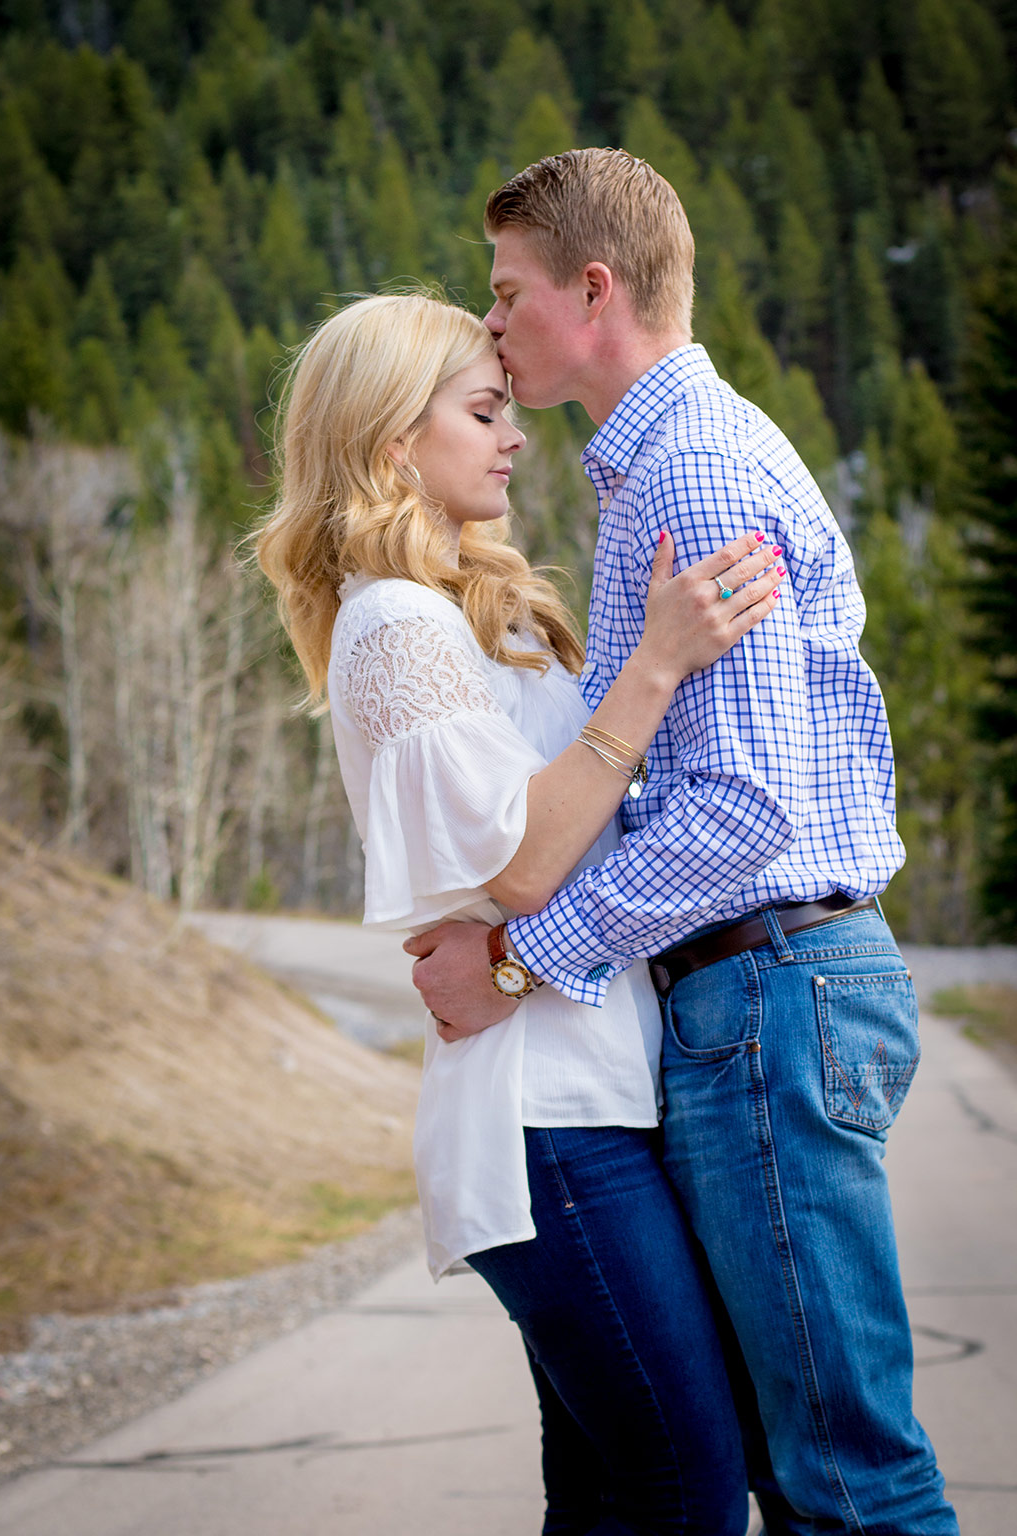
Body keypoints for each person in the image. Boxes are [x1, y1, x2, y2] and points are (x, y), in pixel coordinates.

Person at [407, 150, 960, 1536]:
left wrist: (522, 957)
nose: (488, 326)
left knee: (844, 1481)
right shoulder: (664, 462)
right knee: (795, 1473)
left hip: (769, 992)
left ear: (591, 290)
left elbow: (746, 813)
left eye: (504, 293)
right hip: (755, 996)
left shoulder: (692, 477)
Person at [253, 291, 783, 1534]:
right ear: (393, 443)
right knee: (686, 1490)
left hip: (595, 1090)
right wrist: (654, 667)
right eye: (484, 411)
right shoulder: (395, 623)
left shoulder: (472, 615)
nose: (517, 435)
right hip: (545, 1120)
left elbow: (571, 836)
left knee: (612, 1491)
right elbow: (528, 868)